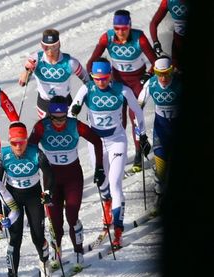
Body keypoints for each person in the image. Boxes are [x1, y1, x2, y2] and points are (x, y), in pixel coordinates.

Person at [70, 59, 150, 249]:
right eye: (97, 79)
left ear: (110, 76)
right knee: (102, 183)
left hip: (117, 141)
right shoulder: (87, 89)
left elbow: (137, 112)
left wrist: (143, 135)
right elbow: (71, 113)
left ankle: (118, 231)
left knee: (115, 184)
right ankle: (107, 213)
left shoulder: (122, 90)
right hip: (95, 143)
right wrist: (74, 112)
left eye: (104, 79)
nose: (101, 83)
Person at [28, 96, 105, 272]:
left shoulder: (75, 125)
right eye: (56, 118)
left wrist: (99, 168)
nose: (60, 122)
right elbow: (30, 148)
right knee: (55, 221)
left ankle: (78, 251)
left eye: (63, 117)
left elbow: (97, 140)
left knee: (71, 216)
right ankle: (57, 251)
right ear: (49, 116)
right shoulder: (41, 126)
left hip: (72, 178)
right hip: (51, 180)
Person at [86, 9, 157, 172]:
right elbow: (91, 63)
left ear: (129, 27)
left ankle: (139, 153)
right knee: (119, 120)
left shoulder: (139, 38)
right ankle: (117, 155)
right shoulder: (107, 38)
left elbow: (155, 62)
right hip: (117, 83)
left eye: (124, 29)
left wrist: (147, 75)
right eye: (117, 28)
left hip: (137, 83)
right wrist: (93, 82)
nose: (120, 32)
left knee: (134, 117)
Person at [0, 122, 55, 277]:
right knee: (15, 239)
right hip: (12, 198)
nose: (18, 146)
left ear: (27, 140)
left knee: (38, 235)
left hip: (34, 196)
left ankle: (44, 262)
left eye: (21, 142)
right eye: (14, 143)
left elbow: (49, 174)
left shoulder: (36, 153)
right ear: (9, 142)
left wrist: (48, 192)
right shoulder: (2, 156)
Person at [137, 55, 181, 201]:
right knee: (161, 166)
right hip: (161, 127)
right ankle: (159, 190)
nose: (163, 78)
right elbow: (138, 108)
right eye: (159, 74)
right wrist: (140, 135)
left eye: (166, 73)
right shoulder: (151, 84)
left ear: (172, 71)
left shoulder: (179, 83)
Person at [18, 29, 89, 119]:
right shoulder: (36, 59)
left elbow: (87, 81)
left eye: (54, 46)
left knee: (67, 131)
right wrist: (27, 70)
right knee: (45, 132)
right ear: (41, 45)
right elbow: (22, 83)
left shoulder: (70, 62)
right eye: (46, 47)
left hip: (65, 102)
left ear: (59, 44)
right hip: (44, 104)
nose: (50, 51)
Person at [149, 0, 187, 70]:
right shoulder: (168, 2)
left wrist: (155, 42)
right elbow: (154, 23)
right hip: (178, 44)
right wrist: (155, 42)